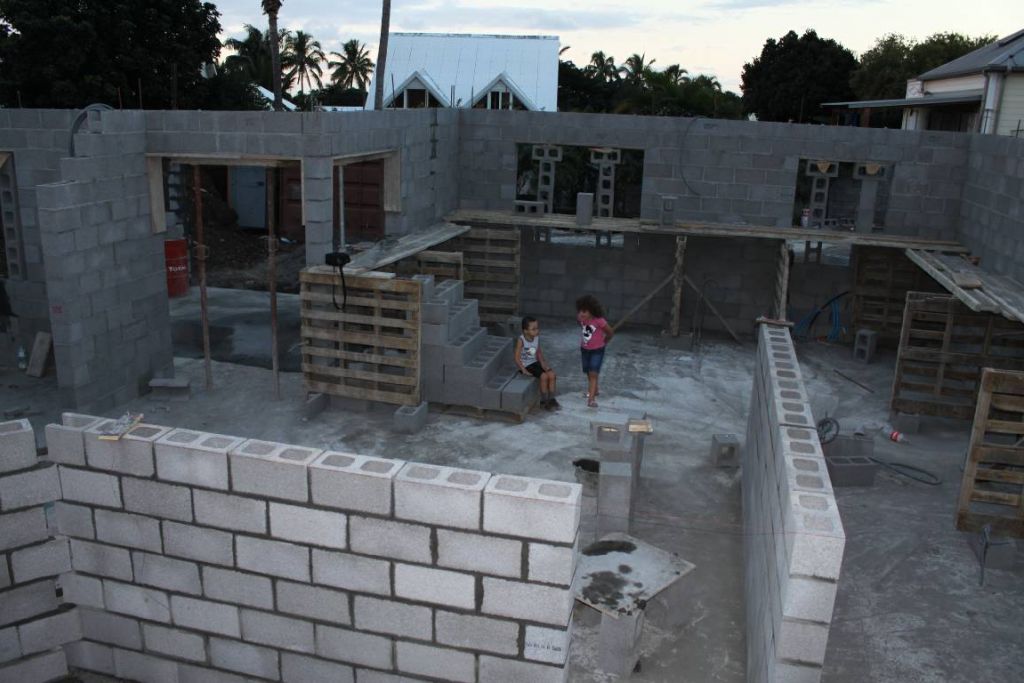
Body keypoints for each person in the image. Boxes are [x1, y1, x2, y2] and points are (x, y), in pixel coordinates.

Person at [514, 316, 560, 410]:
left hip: (534, 362)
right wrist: (523, 369)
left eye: (537, 328)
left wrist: (543, 364)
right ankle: (544, 401)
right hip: (526, 365)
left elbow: (538, 352)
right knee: (544, 376)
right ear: (525, 331)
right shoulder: (521, 340)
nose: (536, 331)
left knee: (552, 375)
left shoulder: (536, 338)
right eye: (533, 329)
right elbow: (516, 357)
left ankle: (551, 399)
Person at [576, 295, 614, 408]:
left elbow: (610, 332)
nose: (581, 314)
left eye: (584, 311)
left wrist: (604, 342)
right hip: (585, 349)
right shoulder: (580, 319)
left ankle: (591, 399)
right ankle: (595, 390)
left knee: (593, 373)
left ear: (592, 311)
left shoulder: (599, 321)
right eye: (580, 311)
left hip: (597, 350)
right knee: (588, 371)